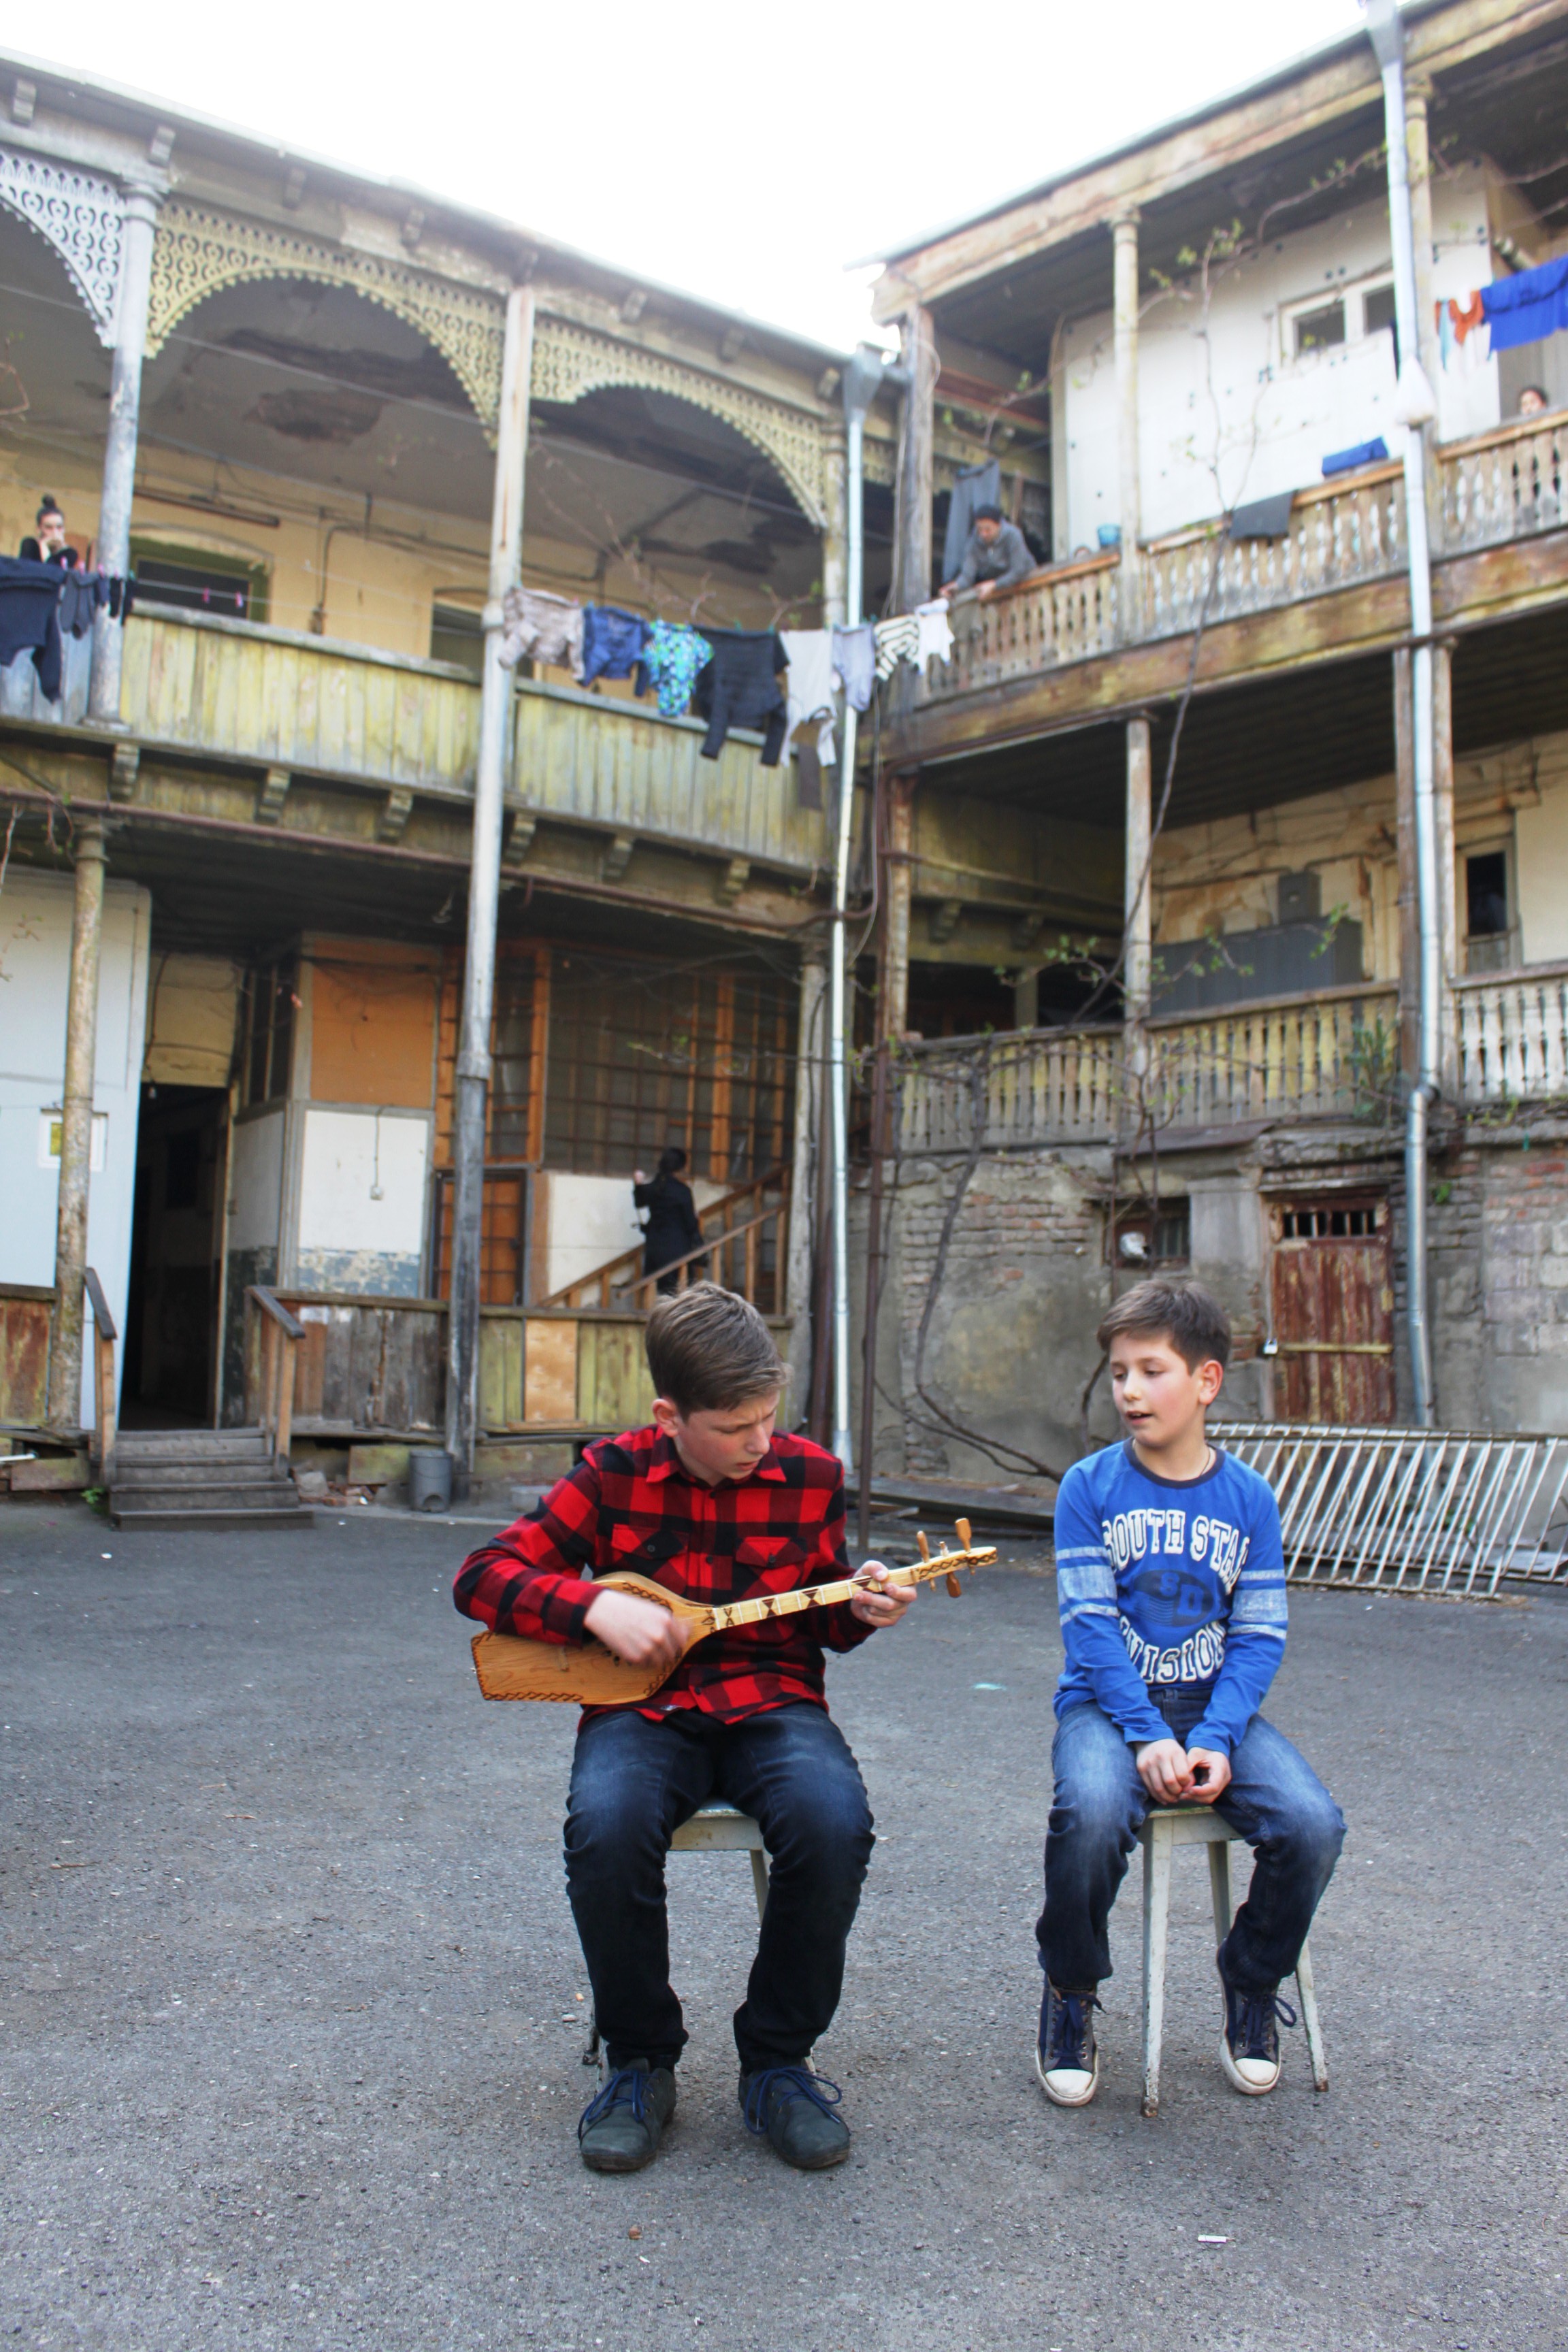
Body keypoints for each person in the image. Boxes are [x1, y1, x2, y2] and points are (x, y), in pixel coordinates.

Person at [453, 1283, 915, 2174]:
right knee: (606, 1827)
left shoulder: (811, 1476)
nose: (760, 1442)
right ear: (669, 1416)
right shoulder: (611, 1475)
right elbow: (480, 1575)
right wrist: (589, 1607)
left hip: (772, 1701)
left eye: (769, 1419)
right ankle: (640, 2061)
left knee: (833, 1822)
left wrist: (863, 1609)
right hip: (642, 1710)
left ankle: (778, 2062)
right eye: (736, 1427)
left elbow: (819, 1617)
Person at [1034, 1277, 1344, 2109]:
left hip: (1213, 1714)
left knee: (1313, 1825)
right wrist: (1146, 1735)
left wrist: (1213, 1736)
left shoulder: (1247, 1498)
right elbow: (1091, 1629)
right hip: (1108, 1711)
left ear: (1206, 1381)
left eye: (1151, 1371)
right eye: (1119, 1373)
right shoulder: (1090, 1488)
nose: (1130, 1391)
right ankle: (1070, 1990)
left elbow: (1259, 1634)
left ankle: (1250, 1979)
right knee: (1093, 1814)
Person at [632, 1145, 704, 1295]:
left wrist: (638, 1184)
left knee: (659, 1293)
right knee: (681, 1294)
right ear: (681, 1166)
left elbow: (639, 1202)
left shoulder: (654, 1187)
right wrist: (696, 1219)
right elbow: (690, 1224)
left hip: (655, 1248)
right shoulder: (682, 1191)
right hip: (678, 1249)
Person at [941, 502, 1036, 601]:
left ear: (999, 525)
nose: (983, 534)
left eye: (988, 530)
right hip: (1000, 592)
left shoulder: (1013, 536)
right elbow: (968, 575)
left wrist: (994, 584)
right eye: (980, 529)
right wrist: (956, 586)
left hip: (1026, 585)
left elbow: (1018, 570)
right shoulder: (974, 542)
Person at [18, 496, 79, 568]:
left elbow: (54, 574)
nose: (55, 532)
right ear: (39, 529)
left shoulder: (70, 553)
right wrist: (43, 545)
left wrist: (46, 554)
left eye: (59, 527)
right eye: (49, 527)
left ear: (64, 529)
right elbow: (23, 570)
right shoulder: (30, 544)